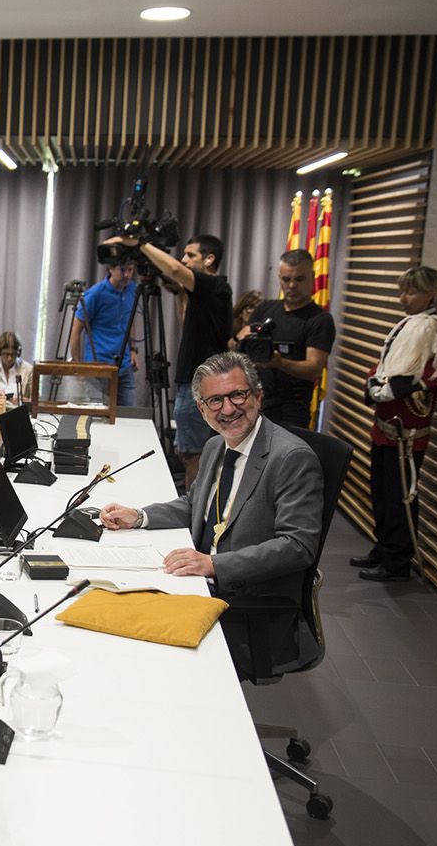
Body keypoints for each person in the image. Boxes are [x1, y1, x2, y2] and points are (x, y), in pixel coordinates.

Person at [97, 350, 323, 670]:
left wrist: (214, 565)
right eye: (215, 401)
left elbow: (298, 547)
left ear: (258, 396)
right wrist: (141, 516)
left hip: (246, 602)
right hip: (199, 583)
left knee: (134, 647)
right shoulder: (217, 444)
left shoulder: (291, 458)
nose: (228, 409)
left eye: (237, 395)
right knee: (109, 600)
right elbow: (195, 504)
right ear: (202, 410)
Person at [351, 266, 437, 582]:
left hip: (407, 429)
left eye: (410, 292)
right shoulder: (410, 324)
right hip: (384, 424)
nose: (403, 298)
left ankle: (397, 561)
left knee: (400, 497)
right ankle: (383, 547)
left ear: (429, 293)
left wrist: (392, 388)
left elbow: (435, 371)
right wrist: (374, 382)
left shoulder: (435, 328)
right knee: (380, 492)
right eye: (402, 291)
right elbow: (386, 364)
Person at [119, 233, 233, 485]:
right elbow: (187, 324)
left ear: (210, 259)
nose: (184, 260)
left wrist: (139, 243)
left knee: (193, 454)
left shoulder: (214, 286)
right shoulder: (202, 293)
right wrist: (181, 291)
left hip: (202, 382)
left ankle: (195, 512)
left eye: (191, 255)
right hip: (193, 380)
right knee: (188, 452)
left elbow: (173, 268)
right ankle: (197, 506)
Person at [237, 249, 334, 427]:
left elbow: (314, 369)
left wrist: (279, 362)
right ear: (279, 278)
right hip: (252, 404)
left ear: (312, 277)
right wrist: (240, 340)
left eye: (299, 279)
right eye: (286, 279)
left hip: (290, 413)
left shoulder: (319, 320)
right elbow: (234, 346)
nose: (291, 286)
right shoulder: (266, 308)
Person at [71, 259, 139, 406]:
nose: (127, 274)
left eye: (131, 270)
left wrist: (133, 349)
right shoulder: (95, 294)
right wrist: (78, 367)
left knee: (130, 415)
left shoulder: (133, 290)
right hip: (98, 365)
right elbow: (75, 332)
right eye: (122, 270)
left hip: (124, 364)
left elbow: (130, 319)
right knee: (98, 415)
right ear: (110, 269)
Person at [0, 330, 33, 403]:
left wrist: (24, 401)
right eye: (6, 354)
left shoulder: (29, 370)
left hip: (20, 412)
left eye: (13, 354)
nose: (9, 358)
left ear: (18, 353)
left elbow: (36, 402)